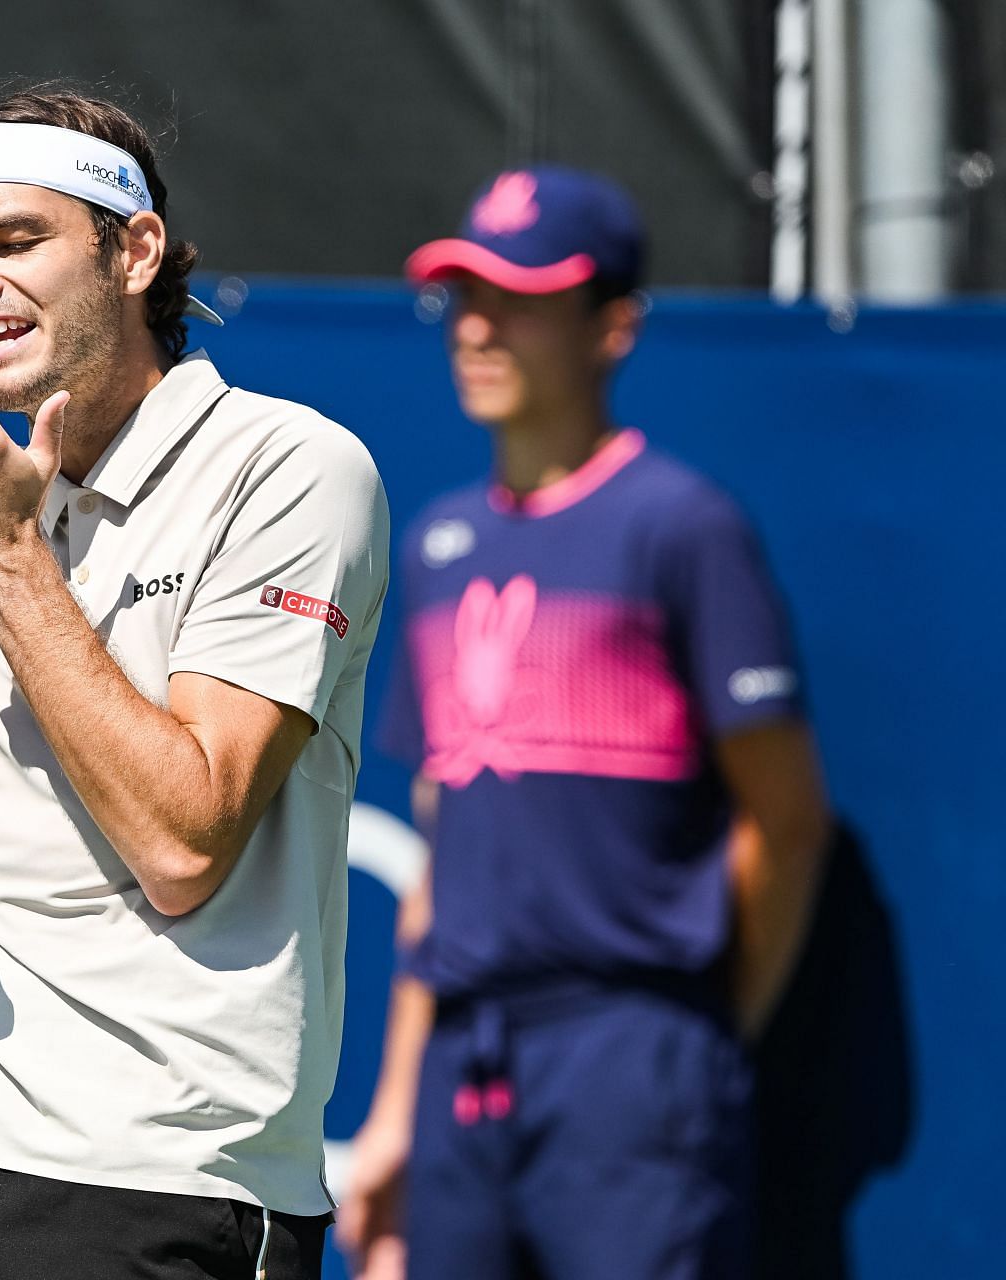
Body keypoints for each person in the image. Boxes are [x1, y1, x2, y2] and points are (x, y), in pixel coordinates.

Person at [0, 84, 390, 1279]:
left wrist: (5, 553)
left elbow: (183, 840)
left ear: (135, 251)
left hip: (159, 1184)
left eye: (15, 242)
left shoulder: (295, 471)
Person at [334, 167, 834, 1280]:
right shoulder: (435, 544)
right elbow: (439, 857)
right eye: (463, 295)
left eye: (518, 297)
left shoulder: (682, 526)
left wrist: (689, 1041)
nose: (476, 326)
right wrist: (395, 1118)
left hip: (637, 1061)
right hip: (463, 1073)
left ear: (614, 324)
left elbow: (787, 822)